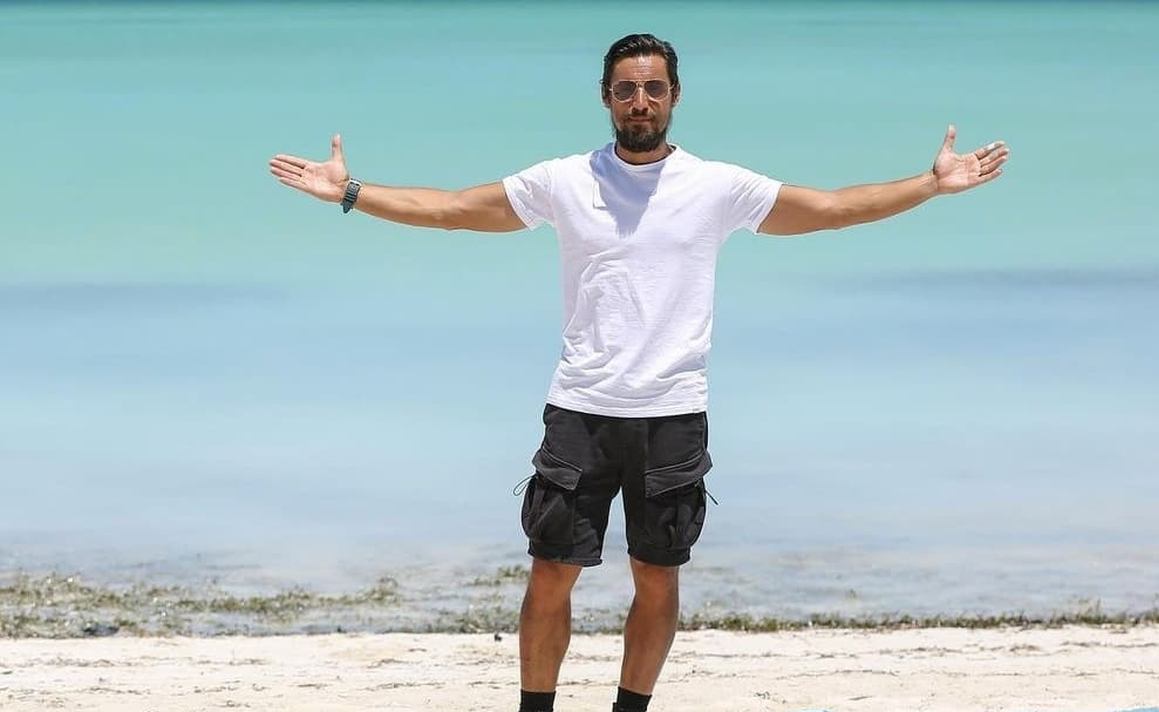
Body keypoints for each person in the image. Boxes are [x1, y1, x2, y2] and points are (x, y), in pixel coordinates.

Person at [268, 32, 1008, 712]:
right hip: (581, 408)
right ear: (606, 98)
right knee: (550, 573)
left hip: (673, 412)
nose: (640, 101)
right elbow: (455, 209)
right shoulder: (565, 180)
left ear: (674, 96)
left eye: (653, 88)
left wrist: (929, 184)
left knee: (657, 576)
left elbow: (832, 208)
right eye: (626, 89)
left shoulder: (715, 186)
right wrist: (352, 193)